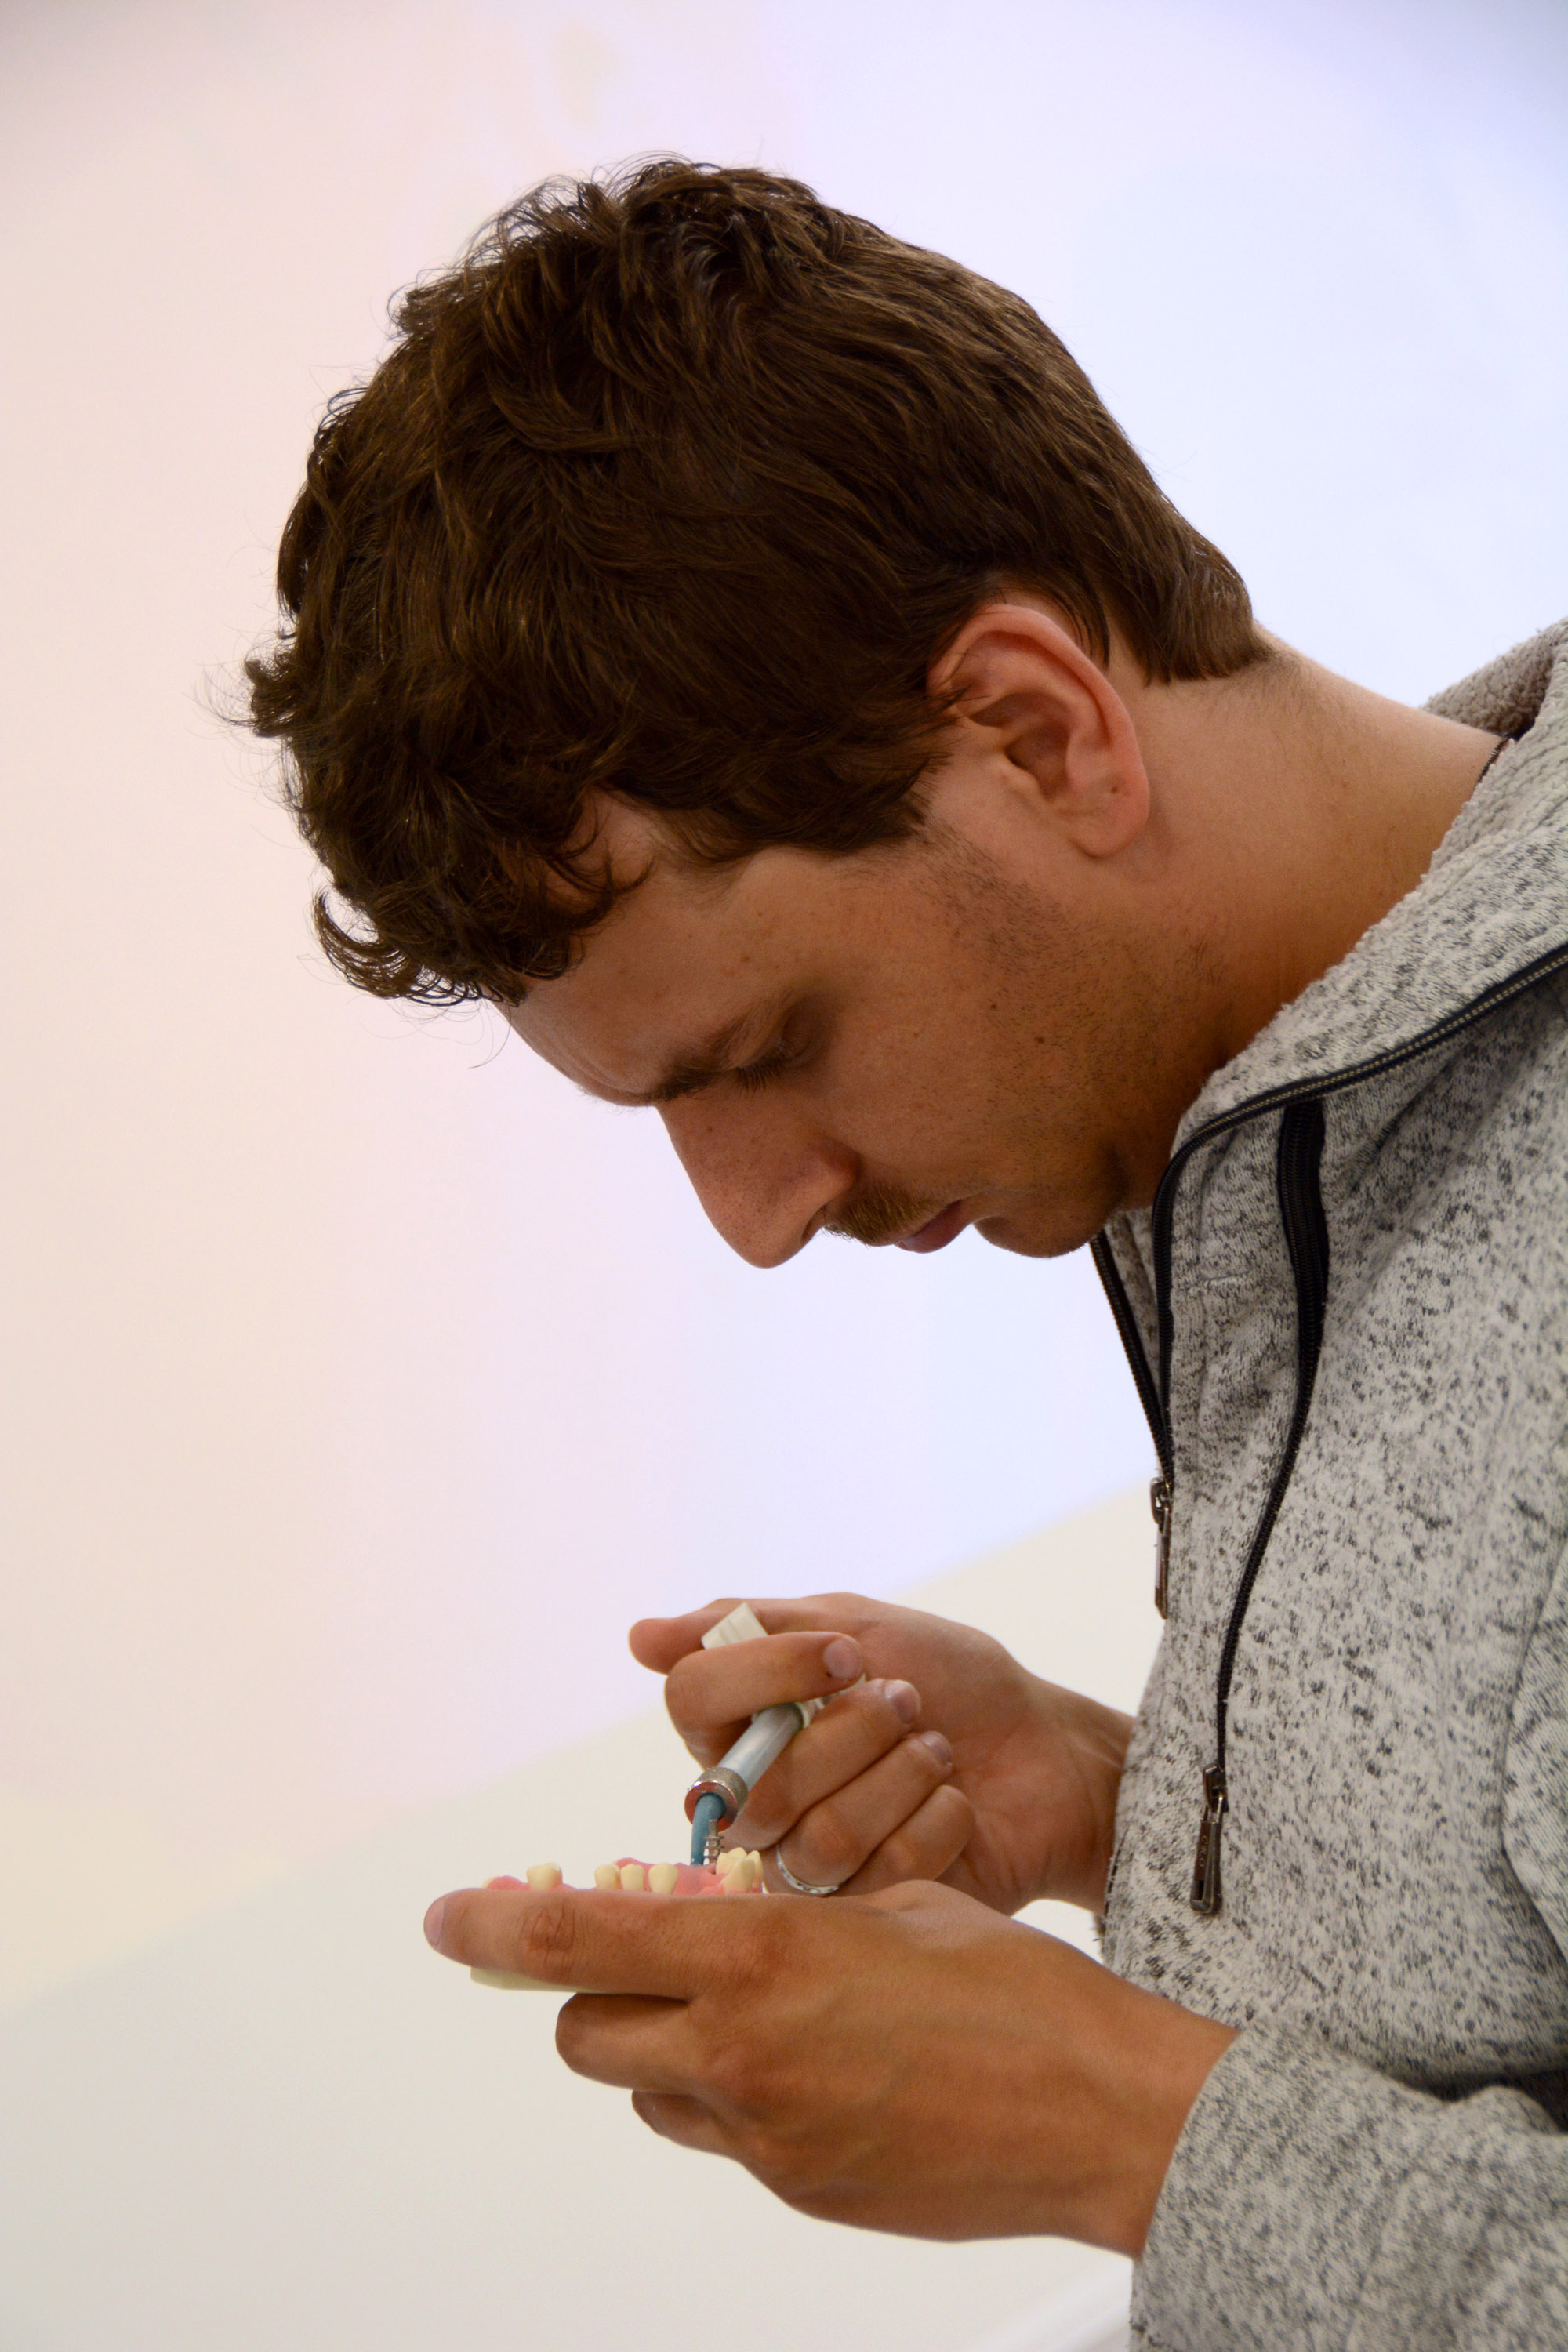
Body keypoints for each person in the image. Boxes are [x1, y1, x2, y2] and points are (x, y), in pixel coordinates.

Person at [245, 160, 1566, 2347]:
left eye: (768, 1049)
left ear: (1042, 730)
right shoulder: (1262, 1123)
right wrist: (1127, 1802)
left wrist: (1117, 2131)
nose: (757, 1219)